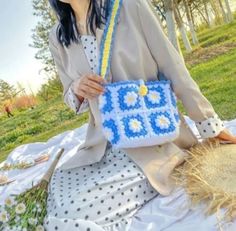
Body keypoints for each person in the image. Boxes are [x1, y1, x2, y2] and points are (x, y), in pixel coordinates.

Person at [46, 0, 236, 230]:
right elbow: (68, 93)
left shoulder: (129, 6)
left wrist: (210, 126)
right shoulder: (58, 36)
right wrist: (77, 88)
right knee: (57, 188)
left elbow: (174, 68)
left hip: (150, 139)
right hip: (102, 144)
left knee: (73, 212)